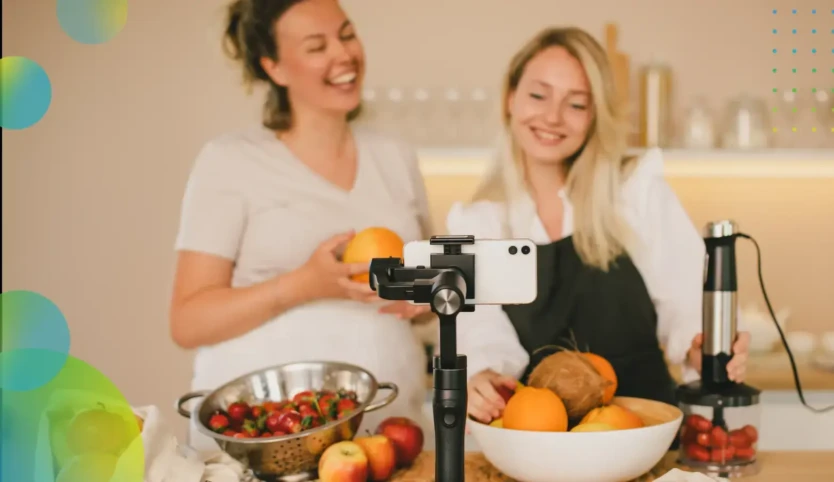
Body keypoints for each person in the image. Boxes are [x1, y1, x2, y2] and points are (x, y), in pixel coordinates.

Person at [446, 27, 751, 424]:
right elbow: (476, 329)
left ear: (595, 116)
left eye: (576, 104)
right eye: (538, 95)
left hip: (644, 432)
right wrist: (483, 374)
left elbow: (688, 304)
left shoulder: (634, 192)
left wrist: (702, 347)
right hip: (537, 440)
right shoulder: (476, 223)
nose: (552, 117)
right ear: (510, 98)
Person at [170, 0, 433, 450]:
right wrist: (305, 284)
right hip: (265, 441)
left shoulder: (394, 155)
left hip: (386, 429)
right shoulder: (230, 161)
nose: (343, 54)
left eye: (347, 35)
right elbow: (187, 321)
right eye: (317, 46)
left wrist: (422, 295)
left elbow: (426, 297)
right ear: (274, 67)